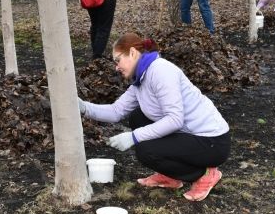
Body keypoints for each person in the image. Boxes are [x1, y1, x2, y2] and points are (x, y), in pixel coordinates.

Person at [78, 33, 230, 201]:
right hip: (188, 135)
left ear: (133, 53)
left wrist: (133, 136)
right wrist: (84, 107)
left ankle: (205, 174)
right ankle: (170, 175)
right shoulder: (140, 79)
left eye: (117, 60)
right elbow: (116, 111)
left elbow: (174, 119)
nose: (116, 67)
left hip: (212, 141)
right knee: (138, 117)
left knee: (146, 151)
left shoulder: (160, 71)